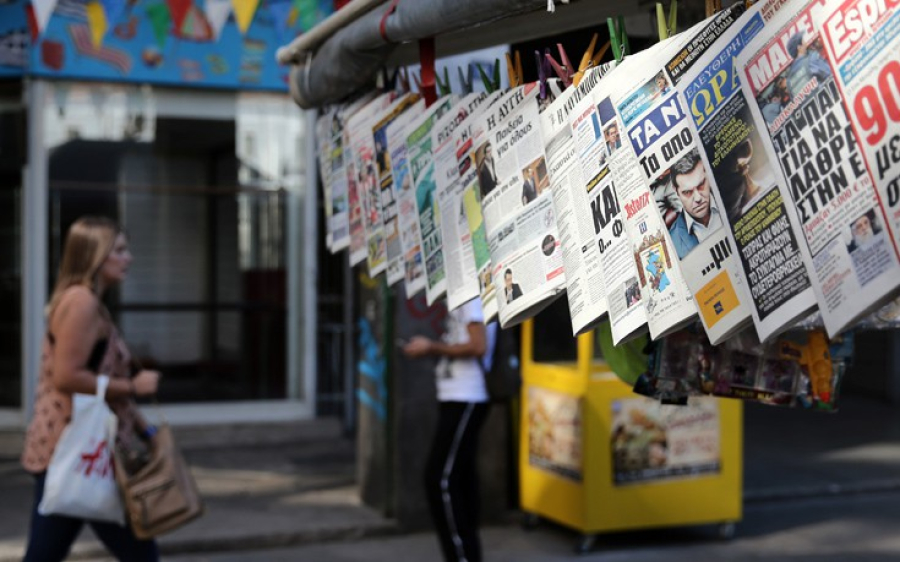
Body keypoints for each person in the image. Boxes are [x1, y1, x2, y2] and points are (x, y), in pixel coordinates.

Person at [21, 217, 161, 562]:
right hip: (74, 450)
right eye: (120, 251)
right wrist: (133, 385)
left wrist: (147, 430)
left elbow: (98, 378)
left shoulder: (88, 302)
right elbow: (67, 377)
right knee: (140, 554)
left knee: (49, 553)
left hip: (85, 451)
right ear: (95, 255)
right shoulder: (80, 302)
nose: (128, 259)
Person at [403, 300, 494, 562]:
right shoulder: (461, 290)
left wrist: (431, 347)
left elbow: (479, 345)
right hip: (457, 396)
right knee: (460, 481)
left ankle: (462, 556)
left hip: (467, 395)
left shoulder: (471, 294)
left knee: (440, 479)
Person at [668, 151, 722, 259]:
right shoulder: (672, 241)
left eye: (701, 184)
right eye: (687, 192)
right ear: (676, 191)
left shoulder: (733, 197)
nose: (698, 198)